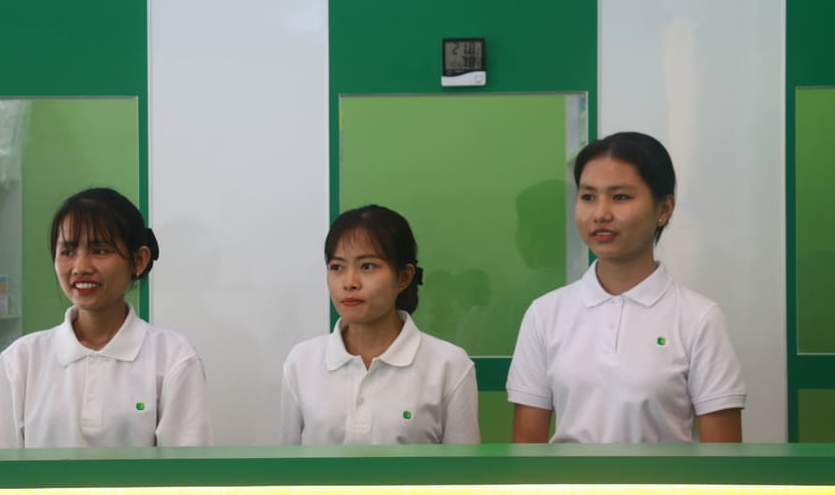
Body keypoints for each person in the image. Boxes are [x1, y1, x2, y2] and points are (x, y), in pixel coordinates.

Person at [507, 132, 746, 443]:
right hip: (569, 478)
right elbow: (528, 450)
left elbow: (723, 456)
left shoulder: (699, 319)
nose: (600, 214)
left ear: (664, 208)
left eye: (620, 197)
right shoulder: (545, 314)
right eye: (588, 196)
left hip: (665, 478)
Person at [0, 187, 213, 448]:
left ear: (138, 261)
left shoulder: (174, 358)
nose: (80, 267)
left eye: (99, 250)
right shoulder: (21, 360)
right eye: (67, 252)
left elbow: (186, 469)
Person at [280, 204, 480, 445]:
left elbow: (462, 468)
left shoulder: (449, 365)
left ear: (404, 277)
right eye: (337, 267)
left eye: (367, 266)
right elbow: (288, 462)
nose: (349, 282)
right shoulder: (302, 362)